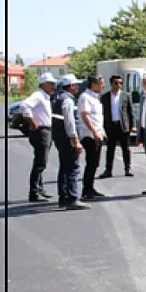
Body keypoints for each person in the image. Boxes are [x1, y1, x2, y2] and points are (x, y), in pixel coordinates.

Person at [18, 73, 59, 202]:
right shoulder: (38, 95)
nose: (54, 86)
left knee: (42, 161)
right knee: (40, 162)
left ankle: (39, 188)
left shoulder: (45, 96)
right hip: (41, 131)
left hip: (46, 130)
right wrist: (32, 122)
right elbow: (24, 106)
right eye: (51, 83)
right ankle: (34, 192)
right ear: (43, 84)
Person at [52, 74, 88, 210]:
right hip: (67, 139)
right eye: (76, 85)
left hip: (60, 138)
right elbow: (70, 122)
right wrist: (75, 140)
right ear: (72, 86)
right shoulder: (67, 100)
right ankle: (72, 198)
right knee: (73, 168)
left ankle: (63, 197)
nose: (77, 87)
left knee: (64, 168)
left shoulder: (58, 98)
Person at [99, 74, 135, 178]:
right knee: (110, 149)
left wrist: (132, 126)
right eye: (116, 83)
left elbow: (130, 111)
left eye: (120, 83)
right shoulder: (105, 97)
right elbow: (102, 112)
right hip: (110, 126)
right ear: (111, 84)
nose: (119, 85)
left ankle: (127, 169)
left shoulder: (126, 95)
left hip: (123, 125)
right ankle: (108, 170)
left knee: (126, 149)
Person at [77, 74, 106, 200]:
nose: (103, 86)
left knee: (95, 163)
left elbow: (97, 117)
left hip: (97, 134)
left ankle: (91, 188)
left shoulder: (96, 97)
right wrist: (94, 131)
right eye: (101, 83)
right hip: (89, 135)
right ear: (93, 84)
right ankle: (86, 191)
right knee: (91, 162)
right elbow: (85, 115)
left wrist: (101, 129)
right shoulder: (85, 97)